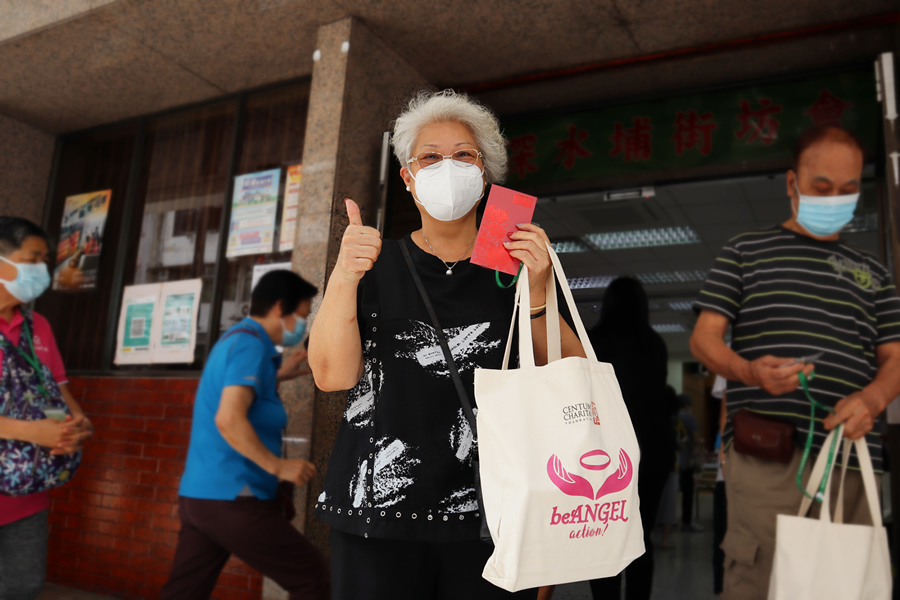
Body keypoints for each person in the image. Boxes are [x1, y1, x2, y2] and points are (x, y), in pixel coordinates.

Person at [308, 89, 585, 600]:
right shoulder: (374, 263)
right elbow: (331, 376)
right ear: (408, 178)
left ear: (485, 173)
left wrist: (539, 289)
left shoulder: (515, 266)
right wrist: (344, 276)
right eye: (430, 157)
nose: (447, 167)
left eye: (463, 155)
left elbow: (571, 376)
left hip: (493, 515)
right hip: (378, 516)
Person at [689, 125, 900, 600]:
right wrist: (749, 371)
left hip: (852, 458)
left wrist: (873, 398)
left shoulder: (875, 272)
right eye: (822, 188)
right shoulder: (744, 252)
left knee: (846, 583)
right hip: (768, 455)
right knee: (761, 578)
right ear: (792, 183)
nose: (835, 199)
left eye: (847, 190)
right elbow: (703, 340)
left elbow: (895, 357)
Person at [161, 270, 329, 600]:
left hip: (201, 496)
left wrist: (279, 374)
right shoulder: (250, 346)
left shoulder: (237, 340)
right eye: (302, 316)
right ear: (280, 307)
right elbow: (229, 418)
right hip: (234, 495)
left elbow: (236, 391)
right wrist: (278, 466)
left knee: (185, 593)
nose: (302, 325)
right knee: (312, 576)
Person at [0, 217, 93, 600]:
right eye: (32, 259)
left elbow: (58, 394)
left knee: (21, 586)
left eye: (44, 261)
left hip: (26, 489)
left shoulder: (38, 326)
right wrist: (29, 431)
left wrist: (76, 426)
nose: (41, 270)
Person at [585, 277, 677, 600]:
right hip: (653, 451)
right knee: (641, 536)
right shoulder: (655, 344)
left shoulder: (595, 341)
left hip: (609, 452)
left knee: (605, 535)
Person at [676, 393, 703, 532]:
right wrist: (702, 442)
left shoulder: (672, 416)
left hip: (672, 461)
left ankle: (666, 523)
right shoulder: (688, 417)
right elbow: (696, 438)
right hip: (686, 461)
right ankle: (686, 522)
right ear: (687, 405)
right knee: (687, 493)